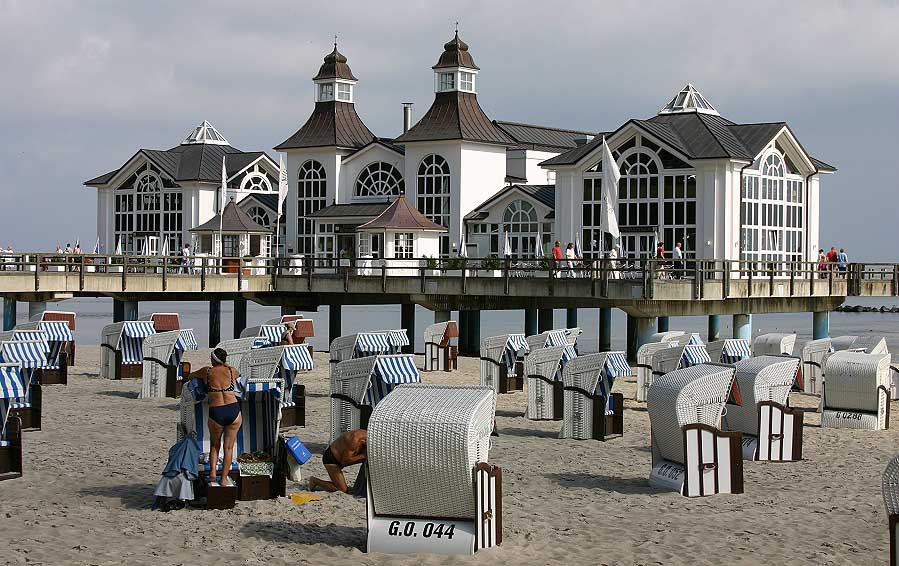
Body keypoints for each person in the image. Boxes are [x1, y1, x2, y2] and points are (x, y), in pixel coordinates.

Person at [189, 348, 242, 487]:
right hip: (233, 409)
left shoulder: (207, 371)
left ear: (213, 359)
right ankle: (224, 479)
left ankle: (213, 473)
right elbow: (239, 376)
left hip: (216, 410)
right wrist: (226, 365)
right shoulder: (232, 370)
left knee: (214, 445)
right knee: (229, 448)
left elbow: (191, 376)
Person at [308, 429, 367, 493]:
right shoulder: (354, 440)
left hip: (341, 457)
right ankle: (315, 481)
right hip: (332, 459)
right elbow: (345, 461)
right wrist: (363, 456)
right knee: (342, 490)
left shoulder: (366, 436)